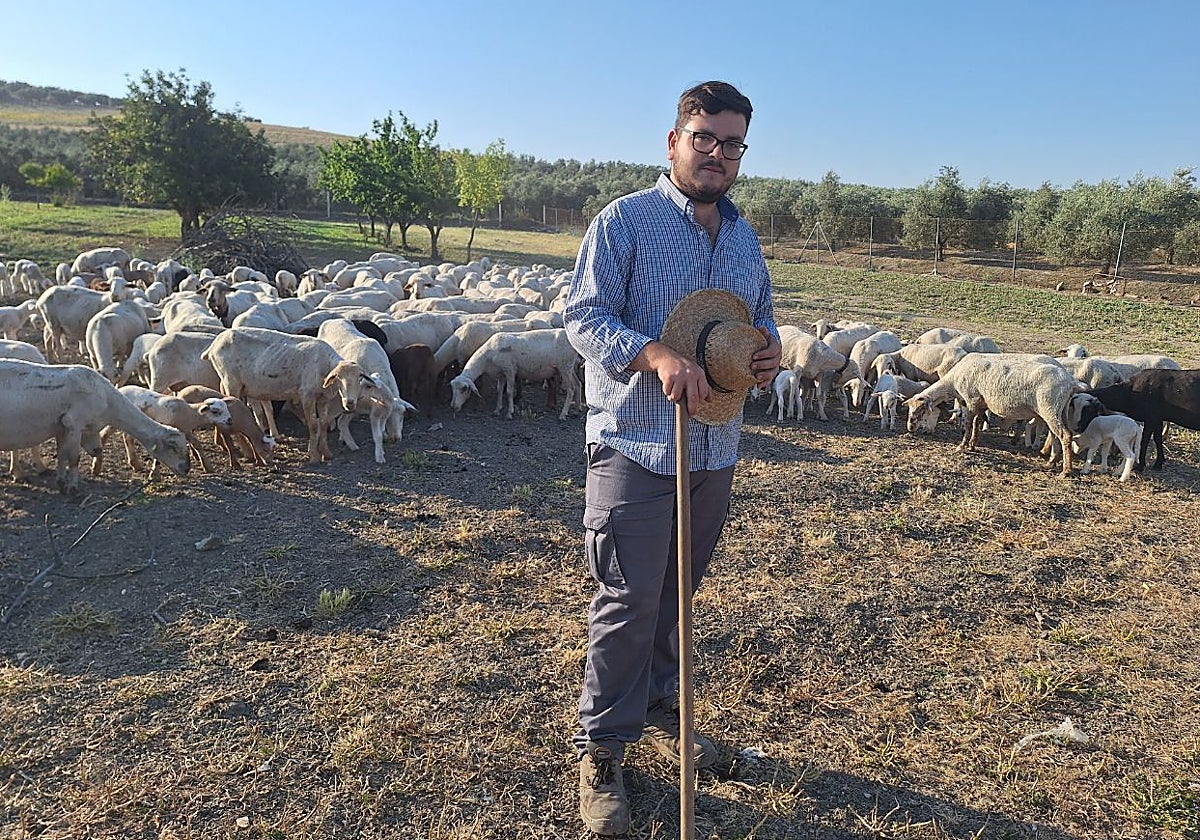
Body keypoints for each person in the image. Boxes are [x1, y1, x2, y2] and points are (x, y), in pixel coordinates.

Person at [563, 80, 781, 835]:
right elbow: (583, 317)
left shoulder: (745, 238)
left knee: (673, 594)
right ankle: (601, 749)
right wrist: (652, 351)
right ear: (673, 141)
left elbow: (760, 320)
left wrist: (765, 357)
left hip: (714, 444)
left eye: (732, 143)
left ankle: (661, 707)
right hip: (635, 442)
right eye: (705, 138)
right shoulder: (623, 222)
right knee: (626, 598)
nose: (718, 154)